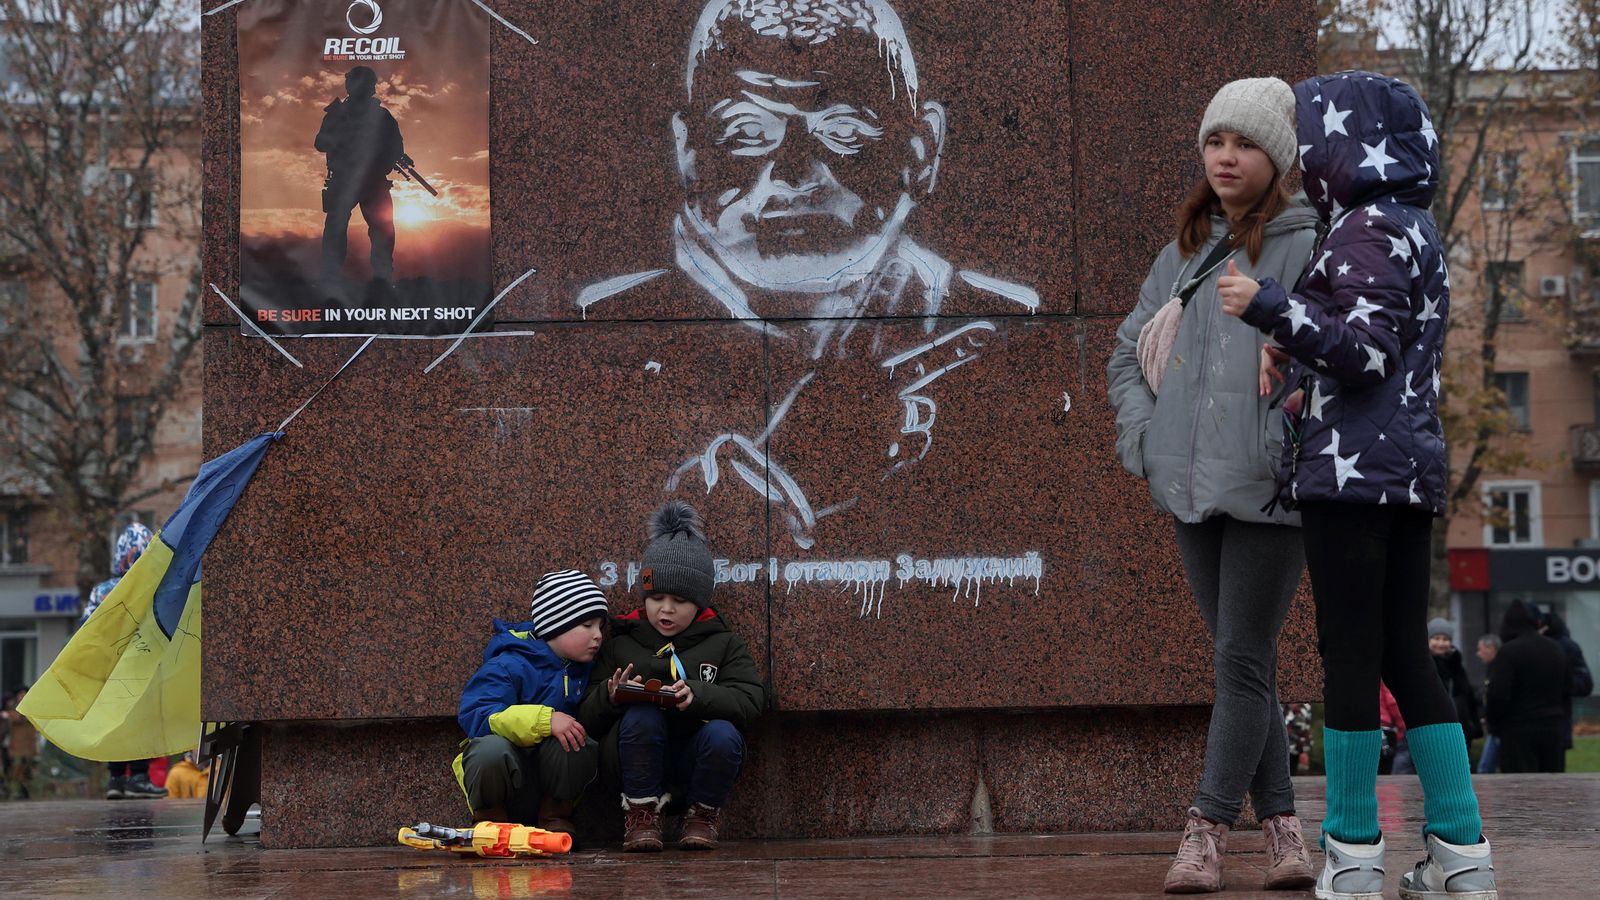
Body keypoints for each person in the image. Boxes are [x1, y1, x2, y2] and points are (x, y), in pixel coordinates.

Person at [576, 0, 1039, 550]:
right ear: (689, 149)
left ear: (921, 150)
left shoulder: (1005, 329)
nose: (793, 174)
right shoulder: (601, 328)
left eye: (842, 129)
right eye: (747, 131)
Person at [1218, 72, 1497, 899]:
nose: (1301, 159)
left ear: (1345, 146)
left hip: (1352, 479)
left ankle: (1351, 853)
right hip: (1404, 470)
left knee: (1349, 657)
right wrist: (1302, 362)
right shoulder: (1413, 225)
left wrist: (1267, 307)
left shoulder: (1363, 228)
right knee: (1407, 655)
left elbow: (1367, 351)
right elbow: (1385, 351)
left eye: (1311, 141)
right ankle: (1463, 856)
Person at [1109, 76, 1319, 895]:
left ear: (1280, 158)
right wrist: (1146, 438)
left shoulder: (1310, 245)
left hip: (1270, 489)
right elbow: (1127, 353)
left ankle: (1204, 832)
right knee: (1246, 662)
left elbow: (1330, 349)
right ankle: (1285, 833)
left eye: (1246, 143)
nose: (1226, 157)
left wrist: (1281, 425)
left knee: (1239, 659)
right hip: (1188, 488)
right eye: (1215, 141)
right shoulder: (1184, 253)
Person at [579, 502, 764, 852]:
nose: (666, 609)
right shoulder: (619, 642)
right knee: (642, 714)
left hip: (695, 756)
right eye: (656, 597)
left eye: (679, 600)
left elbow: (752, 700)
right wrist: (611, 694)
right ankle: (641, 815)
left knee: (723, 734)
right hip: (632, 758)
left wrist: (698, 695)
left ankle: (702, 816)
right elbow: (585, 716)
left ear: (699, 603)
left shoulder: (723, 643)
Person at [454, 569, 610, 841]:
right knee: (488, 749)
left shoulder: (588, 669)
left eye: (600, 626)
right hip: (504, 778)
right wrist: (544, 720)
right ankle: (490, 821)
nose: (597, 635)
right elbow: (477, 714)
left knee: (576, 739)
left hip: (553, 784)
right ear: (555, 626)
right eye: (587, 625)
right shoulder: (509, 663)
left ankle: (556, 818)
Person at [87, 523, 167, 800]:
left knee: (114, 721)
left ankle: (116, 779)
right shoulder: (151, 590)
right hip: (140, 665)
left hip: (107, 669)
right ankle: (140, 777)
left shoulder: (102, 591)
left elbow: (85, 629)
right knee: (140, 718)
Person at [315, 65, 404, 287]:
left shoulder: (380, 117)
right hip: (351, 180)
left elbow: (395, 149)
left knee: (380, 230)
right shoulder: (340, 114)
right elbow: (321, 143)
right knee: (341, 229)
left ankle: (381, 279)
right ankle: (334, 278)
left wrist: (378, 163)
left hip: (368, 181)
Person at [1484, 600, 1568, 773]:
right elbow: (1568, 688)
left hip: (1517, 730)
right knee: (1552, 783)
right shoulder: (1555, 648)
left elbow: (1498, 693)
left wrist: (1494, 723)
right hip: (1552, 727)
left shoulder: (1508, 652)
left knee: (1519, 784)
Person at [1539, 611, 1593, 752]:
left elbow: (1585, 684)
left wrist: (1560, 683)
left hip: (1555, 720)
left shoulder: (1566, 647)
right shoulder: (1566, 646)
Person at [1428, 618, 1483, 746]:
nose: (1441, 643)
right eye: (1436, 638)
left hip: (1460, 730)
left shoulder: (1457, 666)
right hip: (1432, 730)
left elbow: (1469, 698)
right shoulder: (1423, 668)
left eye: (1445, 639)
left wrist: (1475, 725)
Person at [1475, 635, 1502, 774]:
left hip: (1498, 727)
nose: (1478, 654)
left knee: (1485, 768)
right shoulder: (1493, 668)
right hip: (1496, 725)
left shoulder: (1499, 669)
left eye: (1481, 649)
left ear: (1491, 648)